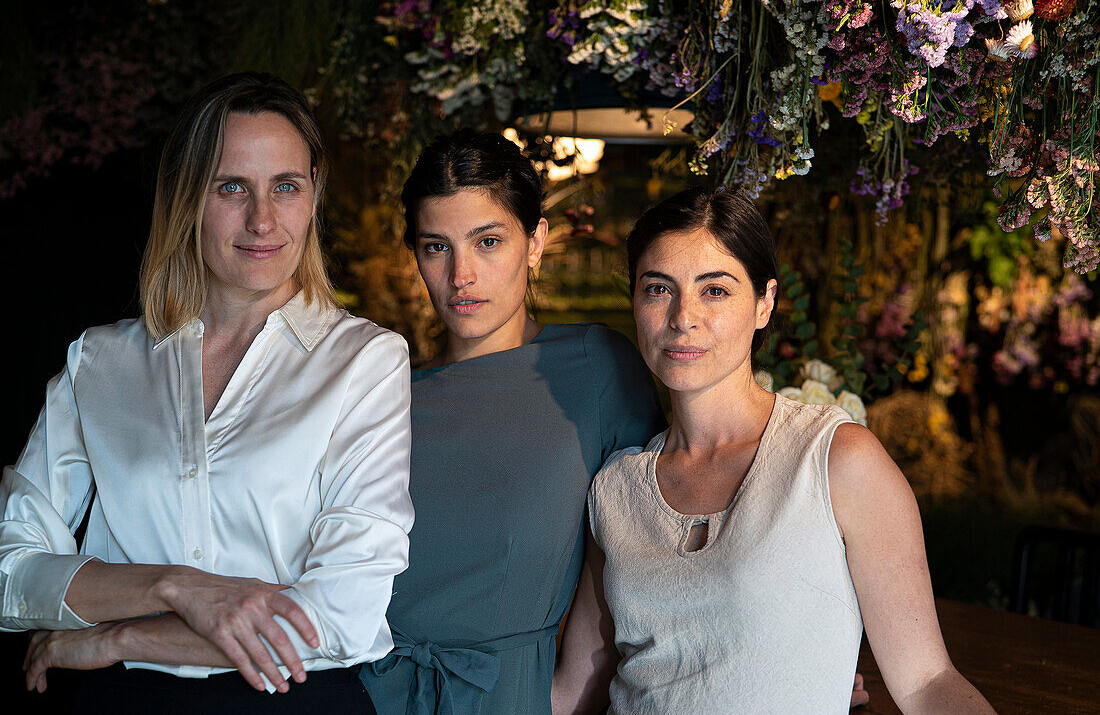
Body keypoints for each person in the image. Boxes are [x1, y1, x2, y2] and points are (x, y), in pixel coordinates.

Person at [4, 72, 414, 714]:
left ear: (313, 197)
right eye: (231, 187)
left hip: (292, 700)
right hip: (120, 705)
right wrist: (177, 587)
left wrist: (124, 634)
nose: (263, 219)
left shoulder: (363, 361)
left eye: (286, 186)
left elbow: (343, 616)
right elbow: (11, 575)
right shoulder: (100, 362)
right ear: (186, 199)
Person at [553, 187, 996, 714]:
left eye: (714, 291)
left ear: (765, 303)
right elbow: (571, 696)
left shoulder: (835, 460)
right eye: (657, 289)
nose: (682, 318)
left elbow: (926, 681)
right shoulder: (616, 489)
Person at [356, 130, 667, 715]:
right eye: (435, 247)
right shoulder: (378, 391)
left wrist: (567, 695)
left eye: (488, 241)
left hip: (516, 696)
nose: (461, 275)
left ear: (536, 242)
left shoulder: (594, 367)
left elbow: (638, 553)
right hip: (367, 691)